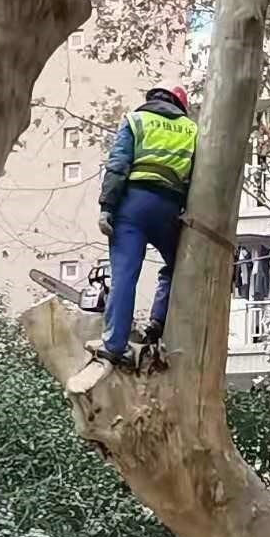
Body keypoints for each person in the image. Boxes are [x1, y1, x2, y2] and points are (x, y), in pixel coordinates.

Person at [94, 85, 197, 365]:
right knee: (178, 267)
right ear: (180, 106)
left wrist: (106, 208)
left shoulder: (136, 120)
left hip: (132, 204)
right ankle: (157, 321)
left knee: (125, 275)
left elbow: (118, 165)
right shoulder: (192, 130)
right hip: (169, 208)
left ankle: (115, 345)